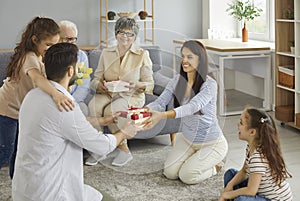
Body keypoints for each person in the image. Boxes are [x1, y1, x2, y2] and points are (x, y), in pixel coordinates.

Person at [12, 43, 141, 201]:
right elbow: (101, 146)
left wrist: (102, 120)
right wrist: (123, 133)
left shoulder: (32, 96)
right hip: (50, 194)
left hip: (24, 190)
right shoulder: (65, 106)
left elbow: (59, 125)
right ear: (70, 71)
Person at [143, 40, 228, 184]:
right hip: (187, 139)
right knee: (170, 173)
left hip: (211, 142)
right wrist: (145, 110)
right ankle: (194, 157)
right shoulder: (177, 80)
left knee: (187, 176)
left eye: (189, 57)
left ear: (200, 59)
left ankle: (216, 166)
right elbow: (160, 102)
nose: (184, 60)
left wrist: (163, 115)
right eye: (183, 56)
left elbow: (192, 107)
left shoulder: (209, 84)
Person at [0, 16, 74, 179]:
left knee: (19, 152)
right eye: (48, 45)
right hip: (7, 110)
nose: (50, 48)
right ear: (34, 40)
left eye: (54, 45)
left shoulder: (40, 56)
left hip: (21, 112)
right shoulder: (29, 57)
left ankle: (17, 184)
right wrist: (56, 94)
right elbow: (38, 79)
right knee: (5, 151)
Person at [86, 16, 154, 166]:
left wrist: (137, 84)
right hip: (108, 93)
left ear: (135, 37)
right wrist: (98, 85)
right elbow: (95, 79)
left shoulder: (142, 55)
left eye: (130, 34)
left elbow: (149, 84)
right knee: (93, 106)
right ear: (116, 33)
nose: (125, 37)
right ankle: (98, 148)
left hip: (132, 95)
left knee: (114, 109)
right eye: (122, 32)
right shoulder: (106, 53)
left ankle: (124, 149)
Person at [219, 107, 293, 201]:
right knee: (230, 174)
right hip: (260, 191)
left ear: (252, 132)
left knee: (241, 199)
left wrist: (228, 195)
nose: (238, 124)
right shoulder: (251, 147)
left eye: (241, 123)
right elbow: (244, 172)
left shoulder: (257, 158)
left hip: (274, 199)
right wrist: (229, 186)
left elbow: (251, 191)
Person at [58, 20, 90, 115]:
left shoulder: (81, 56)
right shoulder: (51, 56)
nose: (70, 42)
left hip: (75, 100)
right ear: (58, 38)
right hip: (56, 99)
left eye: (73, 39)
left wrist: (72, 101)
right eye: (67, 39)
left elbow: (84, 85)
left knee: (83, 110)